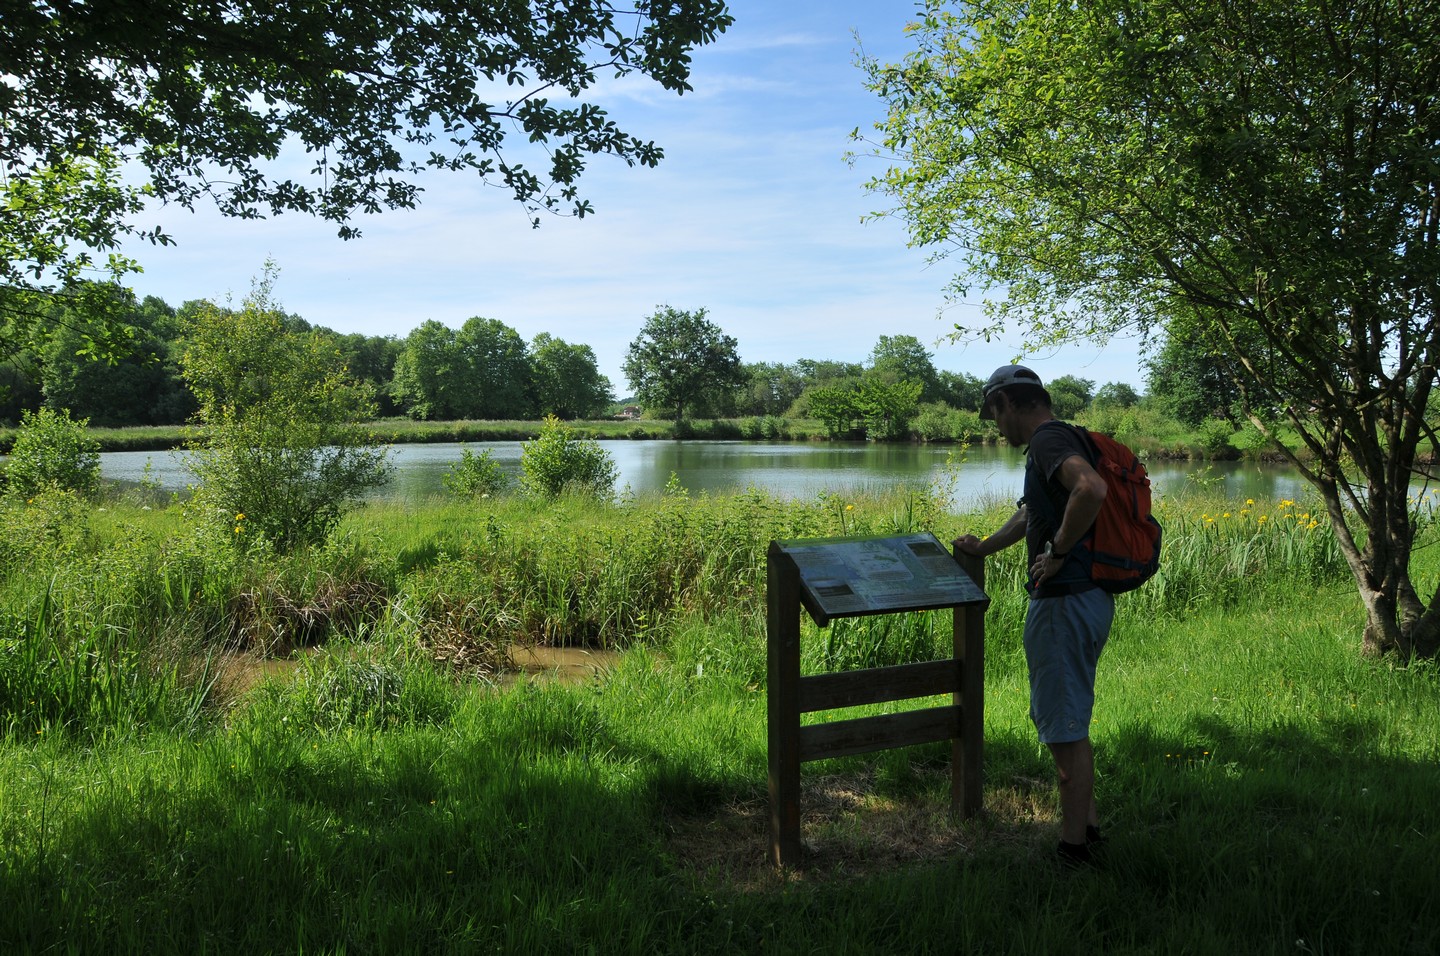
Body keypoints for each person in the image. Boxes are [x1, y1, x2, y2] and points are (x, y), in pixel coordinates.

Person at [953, 365, 1113, 868]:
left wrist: (1059, 552)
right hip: (1089, 597)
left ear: (1007, 403)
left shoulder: (1046, 441)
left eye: (993, 413)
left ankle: (1073, 852)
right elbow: (1032, 515)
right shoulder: (1059, 441)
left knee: (1063, 727)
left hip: (1063, 602)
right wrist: (983, 548)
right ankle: (1088, 831)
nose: (995, 426)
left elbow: (1091, 490)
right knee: (1071, 718)